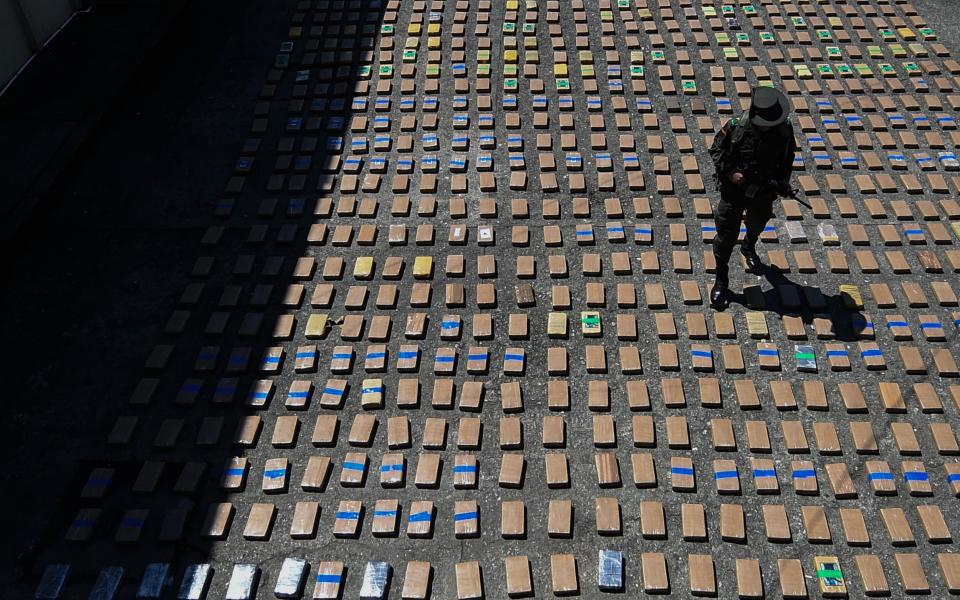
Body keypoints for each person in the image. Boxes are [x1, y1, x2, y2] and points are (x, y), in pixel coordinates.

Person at [708, 86, 797, 308]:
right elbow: (716, 150)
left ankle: (749, 246)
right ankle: (722, 278)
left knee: (758, 222)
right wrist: (731, 173)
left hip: (763, 192)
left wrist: (783, 182)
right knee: (726, 234)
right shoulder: (736, 126)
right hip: (735, 192)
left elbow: (787, 158)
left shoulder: (784, 130)